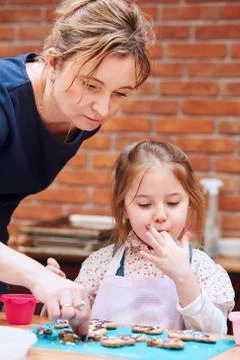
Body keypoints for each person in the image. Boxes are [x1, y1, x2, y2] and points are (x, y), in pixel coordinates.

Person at [0, 0, 153, 332]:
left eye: (120, 93)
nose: (102, 109)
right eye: (90, 84)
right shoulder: (4, 98)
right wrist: (34, 275)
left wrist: (31, 273)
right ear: (53, 61)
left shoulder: (81, 115)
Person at [47, 139, 235, 335]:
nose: (160, 215)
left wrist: (184, 278)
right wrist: (61, 298)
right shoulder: (100, 264)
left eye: (173, 202)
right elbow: (72, 328)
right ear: (124, 209)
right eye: (145, 204)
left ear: (189, 203)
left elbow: (216, 333)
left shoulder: (202, 268)